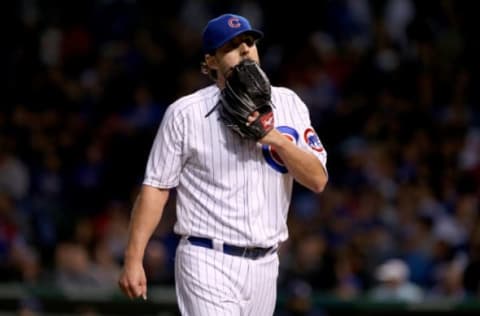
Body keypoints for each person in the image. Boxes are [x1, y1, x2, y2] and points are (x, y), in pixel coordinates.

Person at [118, 13, 328, 316]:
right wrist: (133, 258)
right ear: (211, 62)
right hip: (207, 258)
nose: (245, 50)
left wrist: (278, 140)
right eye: (231, 46)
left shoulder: (289, 104)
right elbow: (156, 188)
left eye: (249, 42)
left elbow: (318, 180)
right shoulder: (185, 113)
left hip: (266, 264)